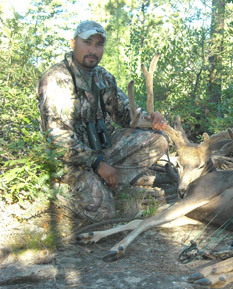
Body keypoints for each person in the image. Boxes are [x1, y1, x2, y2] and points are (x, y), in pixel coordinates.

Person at [37, 20, 169, 221]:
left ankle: (110, 185)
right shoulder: (56, 78)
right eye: (87, 42)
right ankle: (58, 192)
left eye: (99, 45)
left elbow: (126, 114)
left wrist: (150, 118)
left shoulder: (103, 77)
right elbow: (56, 138)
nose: (93, 50)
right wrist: (96, 163)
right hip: (69, 162)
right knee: (104, 213)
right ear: (73, 44)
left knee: (157, 139)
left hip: (101, 154)